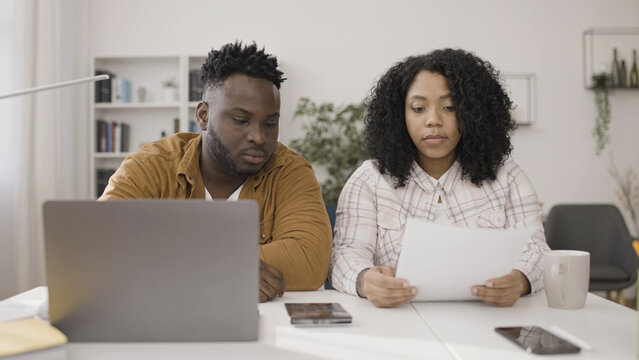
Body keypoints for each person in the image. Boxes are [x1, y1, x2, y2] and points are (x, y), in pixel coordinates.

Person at [100, 41, 332, 302]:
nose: (259, 136)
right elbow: (101, 247)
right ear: (203, 116)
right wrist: (227, 268)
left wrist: (172, 263)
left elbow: (309, 261)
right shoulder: (151, 165)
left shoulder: (290, 172)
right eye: (241, 120)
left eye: (270, 123)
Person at [330, 48, 550, 308]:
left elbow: (537, 250)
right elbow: (346, 256)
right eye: (419, 108)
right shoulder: (369, 180)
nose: (433, 120)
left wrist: (520, 281)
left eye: (449, 107)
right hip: (397, 325)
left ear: (472, 113)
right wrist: (364, 281)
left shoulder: (508, 177)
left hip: (485, 324)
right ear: (400, 115)